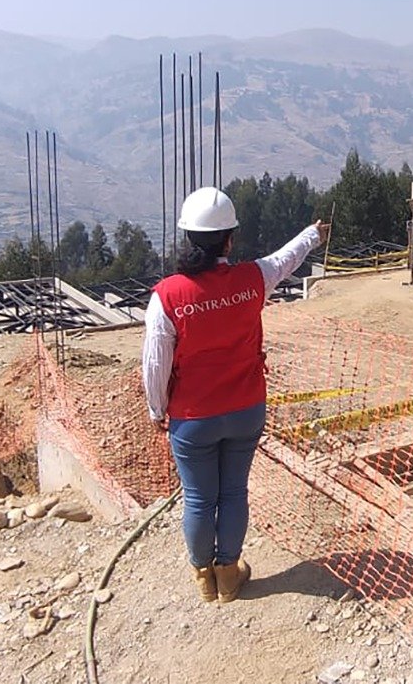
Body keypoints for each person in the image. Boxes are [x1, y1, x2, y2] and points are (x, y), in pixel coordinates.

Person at [141, 187, 328, 603]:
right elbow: (285, 259)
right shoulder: (252, 280)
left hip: (193, 416)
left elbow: (155, 363)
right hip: (245, 408)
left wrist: (158, 410)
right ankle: (229, 571)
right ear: (230, 238)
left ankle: (203, 578)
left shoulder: (167, 297)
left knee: (198, 496)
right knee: (233, 492)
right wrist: (312, 235)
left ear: (188, 238)